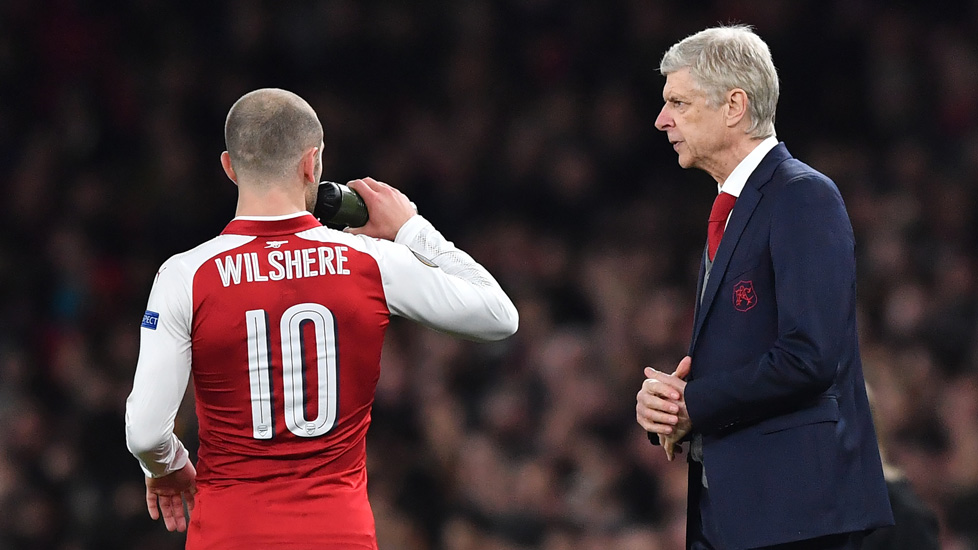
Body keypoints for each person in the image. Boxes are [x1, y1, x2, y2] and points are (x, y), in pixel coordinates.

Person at [125, 88, 519, 549]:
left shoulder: (185, 275)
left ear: (229, 167)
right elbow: (499, 315)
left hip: (229, 534)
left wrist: (168, 467)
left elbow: (146, 431)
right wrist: (412, 229)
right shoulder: (369, 261)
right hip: (339, 534)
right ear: (312, 164)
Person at [634, 26, 893, 549]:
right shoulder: (733, 208)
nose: (662, 120)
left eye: (678, 102)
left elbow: (809, 356)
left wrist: (695, 403)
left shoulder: (802, 197)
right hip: (735, 513)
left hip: (797, 514)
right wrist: (667, 406)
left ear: (734, 105)